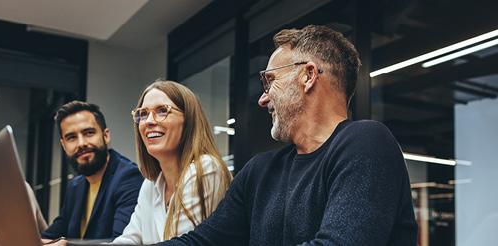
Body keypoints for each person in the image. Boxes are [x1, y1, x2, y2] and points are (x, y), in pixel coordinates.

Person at [162, 25, 418, 245]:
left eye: (269, 80)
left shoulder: (367, 143)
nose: (263, 99)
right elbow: (203, 242)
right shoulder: (259, 171)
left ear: (308, 76)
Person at [112, 80, 232, 245]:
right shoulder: (151, 184)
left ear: (189, 120)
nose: (148, 121)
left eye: (162, 111)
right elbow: (130, 239)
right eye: (143, 114)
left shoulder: (205, 169)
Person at [42, 101, 143, 241]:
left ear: (106, 135)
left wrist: (65, 245)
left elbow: (120, 242)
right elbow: (52, 234)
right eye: (71, 138)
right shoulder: (75, 186)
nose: (81, 143)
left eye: (89, 133)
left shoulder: (129, 178)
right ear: (64, 145)